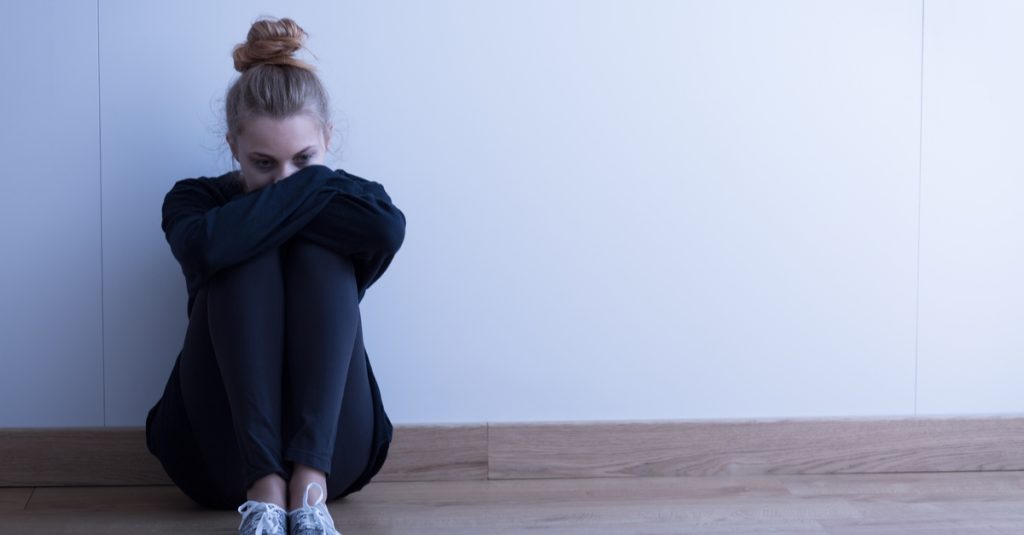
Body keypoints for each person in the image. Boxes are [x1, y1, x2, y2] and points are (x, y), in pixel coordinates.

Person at [143, 16, 406, 535]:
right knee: (241, 248)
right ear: (233, 146)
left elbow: (387, 230)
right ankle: (263, 487)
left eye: (304, 159)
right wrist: (314, 185)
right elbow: (205, 244)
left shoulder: (358, 204)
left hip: (337, 457)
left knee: (313, 250)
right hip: (216, 459)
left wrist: (278, 197)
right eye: (263, 163)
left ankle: (307, 488)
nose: (283, 180)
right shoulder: (196, 200)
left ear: (329, 138)